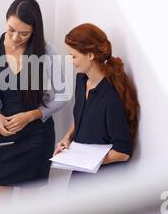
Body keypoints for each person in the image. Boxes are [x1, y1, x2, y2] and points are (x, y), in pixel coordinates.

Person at [0, 0, 68, 196]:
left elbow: (64, 95)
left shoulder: (47, 52)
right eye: (11, 29)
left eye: (23, 33)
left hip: (37, 137)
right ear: (6, 21)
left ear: (34, 31)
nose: (15, 38)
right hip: (5, 136)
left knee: (29, 213)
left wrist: (31, 115)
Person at [54, 23, 139, 179]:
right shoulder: (81, 80)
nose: (70, 61)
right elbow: (83, 117)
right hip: (80, 171)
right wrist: (68, 138)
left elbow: (123, 152)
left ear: (90, 55)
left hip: (101, 181)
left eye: (73, 56)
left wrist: (86, 160)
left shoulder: (110, 99)